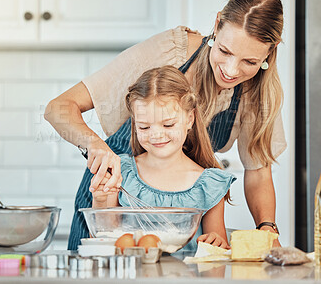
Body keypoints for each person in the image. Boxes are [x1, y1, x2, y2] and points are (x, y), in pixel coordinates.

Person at [44, 0, 287, 250]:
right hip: (111, 199)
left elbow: (259, 172)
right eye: (225, 52)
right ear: (217, 24)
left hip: (181, 224)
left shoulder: (259, 93)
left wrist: (267, 228)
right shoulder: (171, 51)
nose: (231, 71)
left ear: (269, 52)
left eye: (249, 62)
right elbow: (58, 108)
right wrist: (96, 147)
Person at [92, 66, 236, 251]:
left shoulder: (209, 184)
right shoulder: (121, 173)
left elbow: (219, 250)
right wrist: (101, 200)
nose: (157, 135)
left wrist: (216, 242)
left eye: (168, 124)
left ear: (190, 118)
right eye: (144, 127)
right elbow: (105, 241)